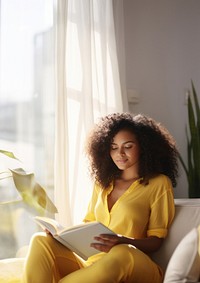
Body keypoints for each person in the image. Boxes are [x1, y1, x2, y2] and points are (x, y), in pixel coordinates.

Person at [22, 112, 179, 283]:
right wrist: (61, 236)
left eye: (128, 146)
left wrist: (122, 240)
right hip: (95, 264)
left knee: (122, 251)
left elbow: (156, 241)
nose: (120, 153)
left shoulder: (159, 183)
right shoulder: (103, 183)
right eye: (113, 147)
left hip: (134, 262)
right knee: (40, 240)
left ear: (143, 147)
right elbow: (89, 224)